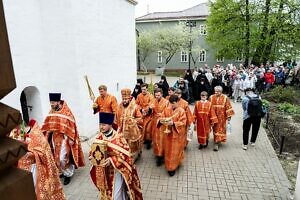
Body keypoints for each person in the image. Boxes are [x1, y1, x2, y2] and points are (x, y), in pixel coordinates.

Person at [89, 112, 143, 200]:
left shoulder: (119, 138)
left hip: (117, 171)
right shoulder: (99, 137)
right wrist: (92, 157)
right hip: (104, 173)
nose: (101, 127)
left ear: (110, 124)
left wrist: (111, 160)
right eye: (100, 124)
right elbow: (94, 151)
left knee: (116, 196)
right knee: (107, 193)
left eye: (104, 124)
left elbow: (126, 156)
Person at [14, 119, 65, 200]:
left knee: (35, 190)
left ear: (22, 125)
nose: (17, 132)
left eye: (18, 128)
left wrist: (30, 153)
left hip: (35, 168)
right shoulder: (17, 133)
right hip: (22, 169)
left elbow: (43, 151)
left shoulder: (36, 134)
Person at [41, 93, 85, 185]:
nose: (51, 104)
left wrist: (71, 138)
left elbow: (72, 125)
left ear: (58, 102)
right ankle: (64, 172)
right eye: (50, 102)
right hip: (54, 138)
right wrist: (45, 135)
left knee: (62, 158)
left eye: (53, 102)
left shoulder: (66, 112)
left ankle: (68, 174)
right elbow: (48, 123)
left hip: (64, 138)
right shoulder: (52, 111)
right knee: (56, 157)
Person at [158, 95, 187, 176]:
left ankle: (173, 167)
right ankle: (168, 165)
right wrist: (161, 121)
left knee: (175, 151)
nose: (172, 105)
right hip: (167, 135)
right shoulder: (167, 109)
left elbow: (183, 123)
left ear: (177, 102)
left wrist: (174, 123)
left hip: (177, 136)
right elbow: (161, 117)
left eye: (173, 103)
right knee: (168, 150)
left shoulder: (181, 111)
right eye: (171, 103)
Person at [115, 88, 143, 160]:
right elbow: (116, 117)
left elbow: (140, 118)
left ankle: (133, 157)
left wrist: (133, 120)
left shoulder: (134, 107)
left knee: (131, 145)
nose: (124, 101)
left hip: (131, 132)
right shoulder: (119, 106)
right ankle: (124, 156)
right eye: (123, 99)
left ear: (129, 99)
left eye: (126, 99)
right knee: (122, 144)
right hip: (121, 130)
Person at [209, 86, 235, 151]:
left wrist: (229, 116)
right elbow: (209, 106)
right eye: (215, 91)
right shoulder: (211, 97)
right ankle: (217, 139)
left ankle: (216, 143)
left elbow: (228, 106)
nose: (216, 92)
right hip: (214, 117)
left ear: (221, 91)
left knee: (220, 129)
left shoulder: (225, 98)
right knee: (215, 129)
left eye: (218, 91)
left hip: (222, 118)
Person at [152, 88, 169, 166]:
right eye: (156, 95)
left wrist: (161, 115)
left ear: (162, 94)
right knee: (155, 139)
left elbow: (168, 112)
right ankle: (157, 154)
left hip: (162, 123)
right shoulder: (153, 101)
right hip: (155, 122)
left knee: (162, 139)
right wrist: (149, 109)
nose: (157, 96)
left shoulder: (166, 102)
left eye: (159, 95)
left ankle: (161, 155)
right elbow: (150, 110)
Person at [135, 83, 154, 149]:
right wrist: (141, 109)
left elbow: (151, 104)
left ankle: (149, 142)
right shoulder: (139, 96)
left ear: (147, 89)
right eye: (142, 89)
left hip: (148, 115)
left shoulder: (150, 96)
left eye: (145, 89)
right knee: (142, 128)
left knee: (148, 129)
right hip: (141, 115)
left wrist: (146, 110)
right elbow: (136, 104)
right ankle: (144, 140)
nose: (143, 91)